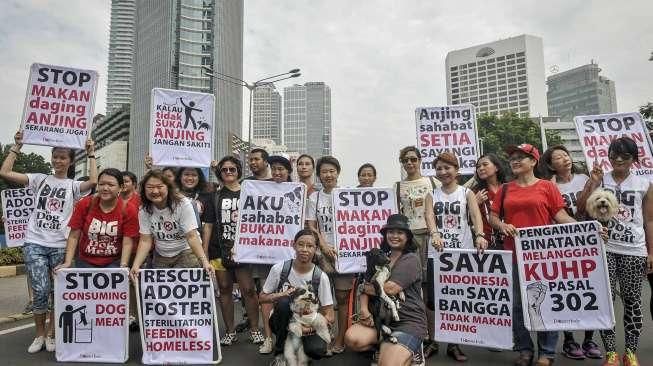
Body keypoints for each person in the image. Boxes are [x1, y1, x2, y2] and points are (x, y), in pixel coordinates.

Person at [0, 131, 97, 353]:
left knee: (57, 292)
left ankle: (51, 334)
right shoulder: (39, 179)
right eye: (56, 156)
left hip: (60, 245)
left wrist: (91, 154)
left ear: (71, 161)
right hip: (34, 242)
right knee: (40, 290)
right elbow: (4, 172)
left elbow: (93, 181)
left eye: (63, 157)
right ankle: (39, 335)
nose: (58, 160)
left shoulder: (73, 186)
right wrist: (17, 146)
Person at [488, 143, 576, 366]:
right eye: (512, 158)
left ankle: (546, 352)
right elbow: (493, 217)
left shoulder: (547, 187)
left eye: (521, 157)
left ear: (534, 161)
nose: (515, 161)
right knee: (517, 305)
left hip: (543, 257)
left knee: (544, 304)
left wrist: (589, 229)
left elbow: (560, 215)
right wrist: (502, 226)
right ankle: (525, 349)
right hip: (514, 255)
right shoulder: (506, 189)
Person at [577, 137, 653, 366]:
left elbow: (649, 220)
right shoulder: (600, 179)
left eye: (625, 155)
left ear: (634, 159)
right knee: (605, 301)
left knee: (632, 301)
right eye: (614, 154)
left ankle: (630, 352)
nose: (618, 159)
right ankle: (610, 352)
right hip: (603, 249)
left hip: (634, 250)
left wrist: (651, 252)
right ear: (608, 156)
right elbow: (581, 208)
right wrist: (592, 182)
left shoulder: (645, 183)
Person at [423, 151, 487, 362]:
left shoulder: (466, 192)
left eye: (447, 167)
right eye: (439, 168)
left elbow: (476, 215)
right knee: (433, 301)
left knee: (457, 299)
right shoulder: (433, 194)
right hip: (438, 254)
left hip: (462, 252)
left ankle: (454, 343)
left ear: (456, 170)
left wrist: (479, 235)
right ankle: (432, 340)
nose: (443, 172)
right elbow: (429, 215)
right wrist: (435, 234)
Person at [540, 145, 602, 360]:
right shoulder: (548, 185)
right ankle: (568, 339)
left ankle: (589, 339)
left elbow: (588, 208)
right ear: (550, 165)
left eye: (566, 155)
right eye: (558, 157)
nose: (565, 159)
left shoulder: (585, 177)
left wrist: (593, 182)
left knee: (589, 289)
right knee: (565, 290)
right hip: (562, 244)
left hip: (588, 241)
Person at [344, 214, 428, 366]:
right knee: (352, 339)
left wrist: (365, 287)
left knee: (387, 365)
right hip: (382, 319)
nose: (394, 236)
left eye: (400, 232)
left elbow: (389, 289)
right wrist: (364, 309)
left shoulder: (411, 259)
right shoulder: (381, 256)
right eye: (391, 232)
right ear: (385, 235)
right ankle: (386, 346)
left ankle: (414, 351)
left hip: (408, 321)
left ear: (407, 237)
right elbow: (365, 283)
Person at [203, 156, 264, 347]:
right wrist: (204, 252)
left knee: (248, 289)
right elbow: (208, 226)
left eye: (232, 169)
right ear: (220, 173)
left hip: (244, 250)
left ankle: (255, 329)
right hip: (219, 250)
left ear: (238, 171)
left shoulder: (249, 193)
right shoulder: (215, 196)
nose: (228, 172)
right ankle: (230, 331)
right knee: (224, 289)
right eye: (224, 170)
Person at [260, 229, 335, 366]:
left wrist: (308, 328)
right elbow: (262, 298)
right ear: (293, 245)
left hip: (307, 323)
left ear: (316, 249)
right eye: (301, 244)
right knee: (283, 303)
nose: (304, 249)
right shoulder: (279, 269)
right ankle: (280, 353)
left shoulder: (320, 277)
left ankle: (303, 349)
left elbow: (330, 315)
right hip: (282, 320)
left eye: (310, 246)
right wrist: (280, 294)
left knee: (317, 350)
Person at [394, 146, 440, 358]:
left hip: (429, 237)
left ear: (420, 160)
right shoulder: (396, 187)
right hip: (407, 240)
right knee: (410, 291)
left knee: (430, 290)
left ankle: (434, 337)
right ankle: (414, 334)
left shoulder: (432, 182)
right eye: (405, 160)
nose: (409, 163)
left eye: (413, 159)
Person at [306, 156, 352, 355]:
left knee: (342, 299)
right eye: (324, 171)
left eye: (332, 171)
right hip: (322, 256)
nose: (328, 175)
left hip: (345, 255)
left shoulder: (347, 195)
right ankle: (324, 335)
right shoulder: (314, 198)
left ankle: (341, 338)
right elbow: (311, 226)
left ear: (338, 172)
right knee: (320, 299)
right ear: (319, 175)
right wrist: (323, 246)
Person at [130, 169, 213, 276]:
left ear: (168, 187)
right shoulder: (144, 210)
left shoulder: (182, 204)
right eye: (150, 187)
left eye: (160, 187)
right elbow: (145, 240)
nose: (155, 191)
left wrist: (204, 262)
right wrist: (136, 265)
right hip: (161, 255)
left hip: (186, 252)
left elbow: (191, 236)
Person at [55, 168, 138, 270]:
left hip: (114, 263)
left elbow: (127, 242)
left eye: (111, 185)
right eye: (102, 184)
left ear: (120, 188)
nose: (105, 188)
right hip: (85, 262)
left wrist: (123, 265)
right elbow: (73, 236)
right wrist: (68, 262)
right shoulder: (85, 204)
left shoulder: (129, 209)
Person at [258, 155, 296, 353]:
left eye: (281, 169)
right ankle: (267, 338)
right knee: (267, 295)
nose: (278, 172)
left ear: (289, 171)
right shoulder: (260, 188)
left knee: (291, 298)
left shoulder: (297, 191)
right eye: (274, 169)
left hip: (290, 254)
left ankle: (292, 336)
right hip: (266, 253)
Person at [472, 153, 508, 248]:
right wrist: (474, 204)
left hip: (510, 240)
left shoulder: (509, 188)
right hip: (486, 244)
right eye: (478, 166)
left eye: (485, 164)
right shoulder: (474, 192)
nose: (481, 168)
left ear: (496, 168)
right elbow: (466, 219)